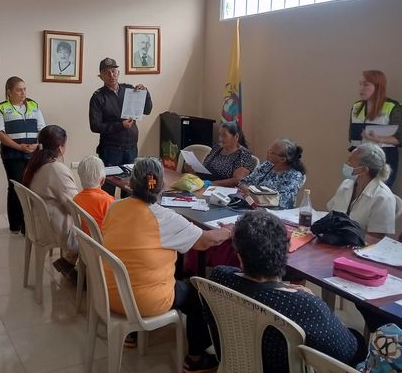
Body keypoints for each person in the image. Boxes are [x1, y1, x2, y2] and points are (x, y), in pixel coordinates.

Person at [102, 157, 233, 371]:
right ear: (162, 185)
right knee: (198, 295)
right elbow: (205, 242)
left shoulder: (114, 207)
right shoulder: (163, 217)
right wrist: (228, 231)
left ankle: (132, 334)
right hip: (142, 302)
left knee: (145, 260)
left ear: (131, 183)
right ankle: (196, 359)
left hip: (110, 292)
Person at [207, 211, 366, 371]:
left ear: (239, 256)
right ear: (287, 249)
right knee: (358, 341)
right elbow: (347, 353)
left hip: (236, 363)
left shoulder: (219, 277)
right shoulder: (307, 306)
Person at [89, 57, 153, 196]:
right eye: (106, 72)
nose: (111, 75)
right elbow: (95, 126)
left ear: (118, 72)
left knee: (130, 189)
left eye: (114, 71)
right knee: (108, 190)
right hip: (111, 150)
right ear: (101, 77)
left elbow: (147, 110)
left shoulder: (129, 90)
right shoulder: (98, 97)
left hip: (131, 148)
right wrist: (120, 126)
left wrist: (145, 93)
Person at [0, 76, 45, 234]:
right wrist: (19, 147)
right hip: (12, 155)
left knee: (32, 187)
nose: (23, 93)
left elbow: (42, 128)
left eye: (24, 89)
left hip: (33, 153)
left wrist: (37, 144)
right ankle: (16, 225)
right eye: (19, 90)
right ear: (9, 92)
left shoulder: (33, 105)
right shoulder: (1, 108)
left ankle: (28, 225)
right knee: (16, 188)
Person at [23, 125, 78, 255]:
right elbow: (75, 207)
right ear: (60, 148)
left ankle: (70, 262)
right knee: (100, 231)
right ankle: (77, 265)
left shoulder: (34, 164)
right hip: (55, 228)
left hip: (39, 224)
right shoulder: (56, 170)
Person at [328, 144, 396, 237]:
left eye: (350, 161)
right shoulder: (346, 184)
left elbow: (375, 238)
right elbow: (331, 214)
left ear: (364, 170)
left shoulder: (383, 198)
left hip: (360, 244)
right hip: (335, 239)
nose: (346, 164)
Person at [349, 70, 401, 187]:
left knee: (376, 193)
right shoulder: (356, 107)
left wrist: (379, 139)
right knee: (355, 192)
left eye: (366, 85)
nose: (361, 88)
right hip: (359, 160)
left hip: (384, 160)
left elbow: (399, 138)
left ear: (378, 87)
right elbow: (352, 137)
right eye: (360, 84)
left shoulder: (393, 107)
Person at [238, 138, 305, 209]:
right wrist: (249, 192)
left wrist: (250, 193)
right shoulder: (267, 165)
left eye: (272, 152)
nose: (268, 152)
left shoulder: (294, 176)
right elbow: (243, 182)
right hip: (251, 205)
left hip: (274, 212)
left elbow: (280, 202)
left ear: (282, 159)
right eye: (269, 149)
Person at [198, 121, 256, 187]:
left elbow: (237, 180)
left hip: (222, 189)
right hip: (204, 184)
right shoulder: (217, 148)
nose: (220, 139)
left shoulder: (243, 154)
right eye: (220, 135)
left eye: (224, 135)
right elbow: (205, 165)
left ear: (236, 136)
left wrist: (212, 183)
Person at [73, 155, 115, 235]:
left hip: (86, 239)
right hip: (104, 241)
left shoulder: (76, 199)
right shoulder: (108, 201)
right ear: (103, 181)